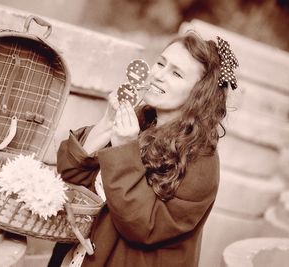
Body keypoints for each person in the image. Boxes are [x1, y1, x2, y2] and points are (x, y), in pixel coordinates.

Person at [47, 32, 239, 267]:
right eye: (160, 63)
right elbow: (70, 174)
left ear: (199, 94)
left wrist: (123, 150)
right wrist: (106, 124)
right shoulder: (140, 121)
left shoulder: (201, 163)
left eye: (176, 73)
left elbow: (143, 227)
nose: (157, 75)